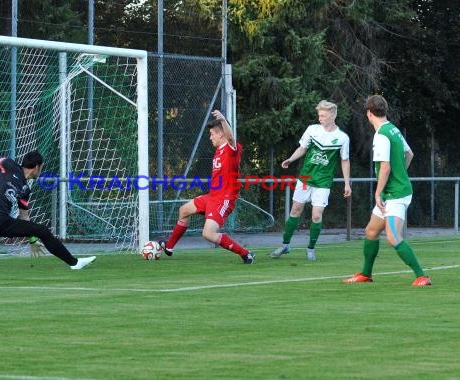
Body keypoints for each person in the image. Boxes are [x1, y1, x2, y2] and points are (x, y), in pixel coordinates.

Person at [343, 95, 431, 286]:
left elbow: (385, 167)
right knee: (371, 231)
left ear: (368, 113)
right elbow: (410, 154)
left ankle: (422, 276)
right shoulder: (394, 130)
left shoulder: (382, 134)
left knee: (392, 237)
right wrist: (400, 176)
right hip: (393, 191)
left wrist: (378, 192)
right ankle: (366, 274)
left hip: (395, 194)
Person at [159, 110, 255, 264]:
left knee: (208, 234)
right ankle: (169, 247)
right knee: (184, 210)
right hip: (212, 197)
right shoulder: (218, 151)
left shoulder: (232, 149)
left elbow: (230, 137)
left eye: (212, 134)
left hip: (224, 200)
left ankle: (245, 253)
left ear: (221, 134)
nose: (210, 137)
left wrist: (223, 119)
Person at [271, 100, 351, 261]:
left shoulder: (342, 138)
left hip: (323, 182)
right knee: (295, 211)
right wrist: (290, 159)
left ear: (333, 115)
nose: (320, 118)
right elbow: (303, 148)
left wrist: (347, 183)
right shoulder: (312, 130)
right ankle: (285, 245)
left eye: (323, 115)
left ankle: (311, 249)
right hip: (306, 178)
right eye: (319, 115)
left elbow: (345, 160)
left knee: (316, 216)